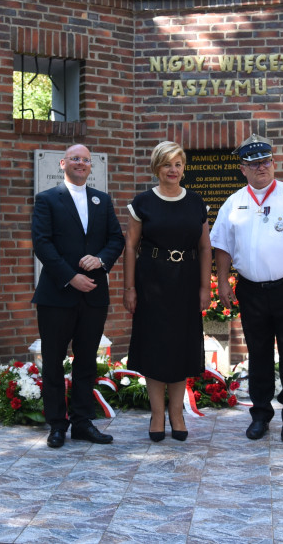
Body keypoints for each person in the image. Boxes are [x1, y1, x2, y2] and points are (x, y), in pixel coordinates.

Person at [210, 134, 283, 443]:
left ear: (274, 164)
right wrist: (223, 280)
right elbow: (222, 247)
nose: (260, 167)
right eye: (253, 163)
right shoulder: (233, 203)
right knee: (259, 354)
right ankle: (261, 415)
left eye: (265, 161)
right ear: (243, 169)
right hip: (250, 289)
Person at [32, 144, 125, 448]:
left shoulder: (102, 200)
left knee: (86, 361)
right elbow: (42, 243)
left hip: (94, 295)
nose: (81, 163)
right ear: (63, 164)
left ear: (90, 166)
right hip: (57, 295)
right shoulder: (47, 199)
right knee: (53, 361)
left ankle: (83, 423)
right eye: (75, 158)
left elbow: (116, 239)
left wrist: (100, 260)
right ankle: (57, 424)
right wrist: (71, 277)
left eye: (86, 160)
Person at [123, 141, 211, 442]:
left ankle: (177, 411)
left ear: (183, 168)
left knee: (181, 346)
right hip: (152, 282)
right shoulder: (143, 203)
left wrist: (204, 286)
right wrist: (130, 288)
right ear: (156, 168)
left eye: (178, 164)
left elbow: (204, 247)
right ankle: (158, 413)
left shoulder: (197, 202)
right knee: (155, 346)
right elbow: (131, 247)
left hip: (186, 282)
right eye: (166, 164)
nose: (173, 170)